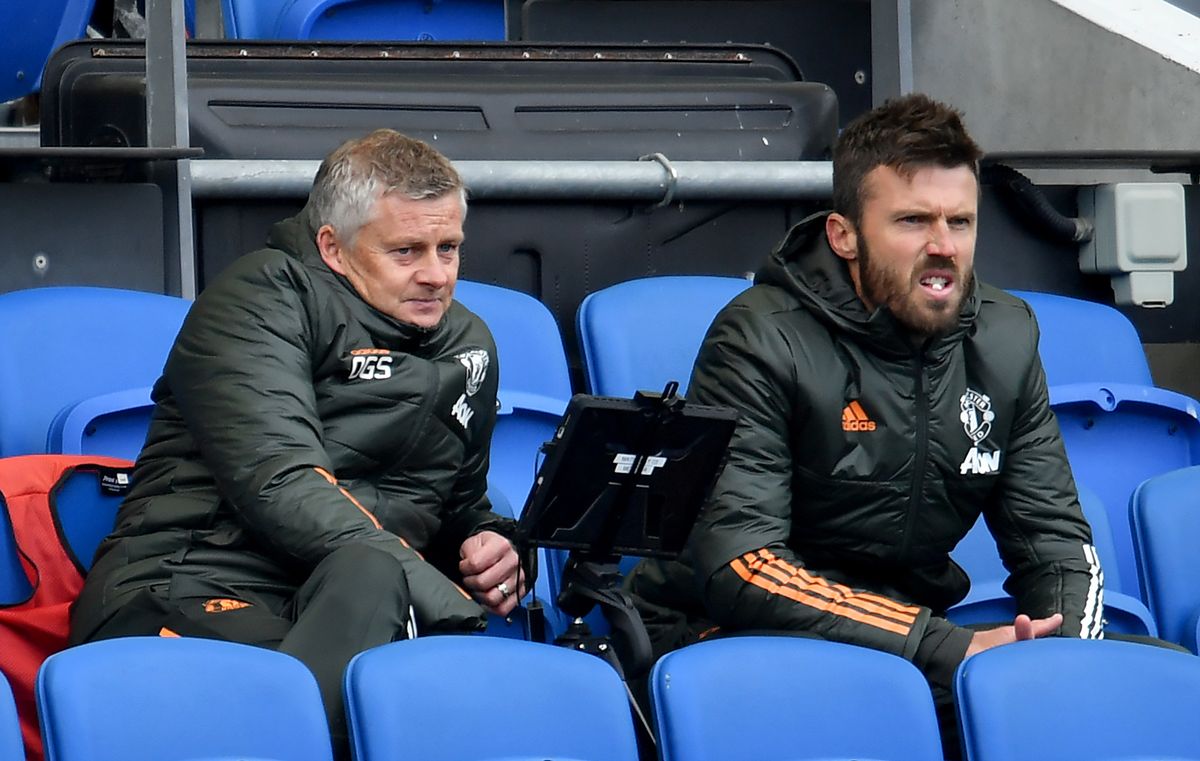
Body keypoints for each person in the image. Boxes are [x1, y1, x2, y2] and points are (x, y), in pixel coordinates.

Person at [625, 93, 1102, 751]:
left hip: (909, 639)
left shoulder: (1005, 335)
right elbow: (744, 565)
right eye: (912, 220)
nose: (943, 247)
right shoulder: (762, 337)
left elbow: (1055, 540)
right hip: (732, 636)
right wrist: (946, 646)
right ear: (843, 234)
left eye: (960, 222)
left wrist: (1065, 654)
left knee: (1139, 683)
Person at [70, 129, 528, 754]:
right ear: (332, 247)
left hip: (356, 607)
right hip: (190, 588)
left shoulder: (469, 343)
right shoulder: (258, 298)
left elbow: (457, 506)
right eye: (406, 251)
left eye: (449, 248)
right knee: (376, 607)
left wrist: (492, 545)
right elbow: (281, 484)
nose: (435, 275)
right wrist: (447, 605)